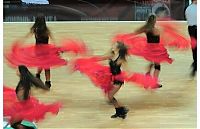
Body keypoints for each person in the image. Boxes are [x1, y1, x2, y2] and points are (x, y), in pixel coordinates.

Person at [133, 14, 173, 87]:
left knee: (151, 62)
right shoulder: (156, 30)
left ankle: (147, 76)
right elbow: (159, 38)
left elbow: (136, 32)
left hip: (149, 48)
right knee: (157, 66)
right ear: (154, 21)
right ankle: (153, 83)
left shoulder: (146, 29)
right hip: (157, 49)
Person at [24, 15, 55, 88]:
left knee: (42, 64)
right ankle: (47, 82)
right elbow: (53, 40)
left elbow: (27, 36)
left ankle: (38, 76)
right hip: (46, 51)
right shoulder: (46, 30)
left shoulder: (35, 29)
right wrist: (56, 49)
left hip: (38, 51)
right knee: (46, 67)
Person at [100, 42, 129, 119]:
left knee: (110, 96)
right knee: (109, 96)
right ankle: (120, 112)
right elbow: (102, 58)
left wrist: (128, 75)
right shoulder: (111, 54)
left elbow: (127, 69)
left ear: (118, 48)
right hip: (111, 78)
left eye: (114, 45)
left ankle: (122, 109)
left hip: (118, 80)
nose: (112, 46)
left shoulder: (121, 59)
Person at [185, 0, 197, 77]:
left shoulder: (188, 9)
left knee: (194, 47)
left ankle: (195, 63)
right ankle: (195, 64)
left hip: (191, 29)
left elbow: (187, 19)